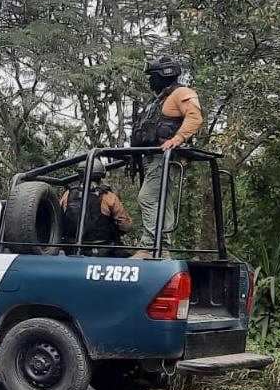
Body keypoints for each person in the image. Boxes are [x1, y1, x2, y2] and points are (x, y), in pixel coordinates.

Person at [131, 55, 203, 252]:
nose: (150, 81)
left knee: (147, 197)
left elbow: (195, 117)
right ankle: (161, 246)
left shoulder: (181, 93)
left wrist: (177, 139)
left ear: (164, 75)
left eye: (152, 76)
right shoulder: (158, 100)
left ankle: (151, 246)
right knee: (162, 199)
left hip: (164, 156)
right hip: (151, 157)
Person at [58, 163, 133, 254]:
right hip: (103, 252)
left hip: (72, 250)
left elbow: (58, 219)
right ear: (100, 176)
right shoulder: (109, 197)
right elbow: (126, 226)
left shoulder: (67, 195)